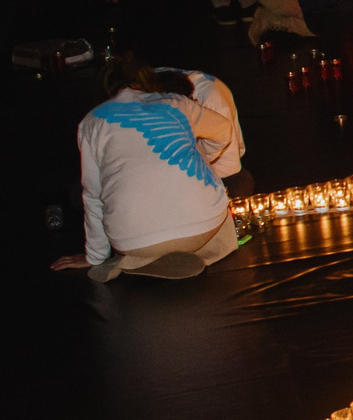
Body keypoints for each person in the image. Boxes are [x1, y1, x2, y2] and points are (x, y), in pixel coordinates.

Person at [50, 54, 239, 282]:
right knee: (220, 216)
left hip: (133, 240)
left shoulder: (90, 122)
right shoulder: (176, 102)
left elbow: (92, 195)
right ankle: (197, 252)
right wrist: (205, 158)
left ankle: (139, 258)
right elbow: (224, 129)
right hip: (202, 229)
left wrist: (95, 257)